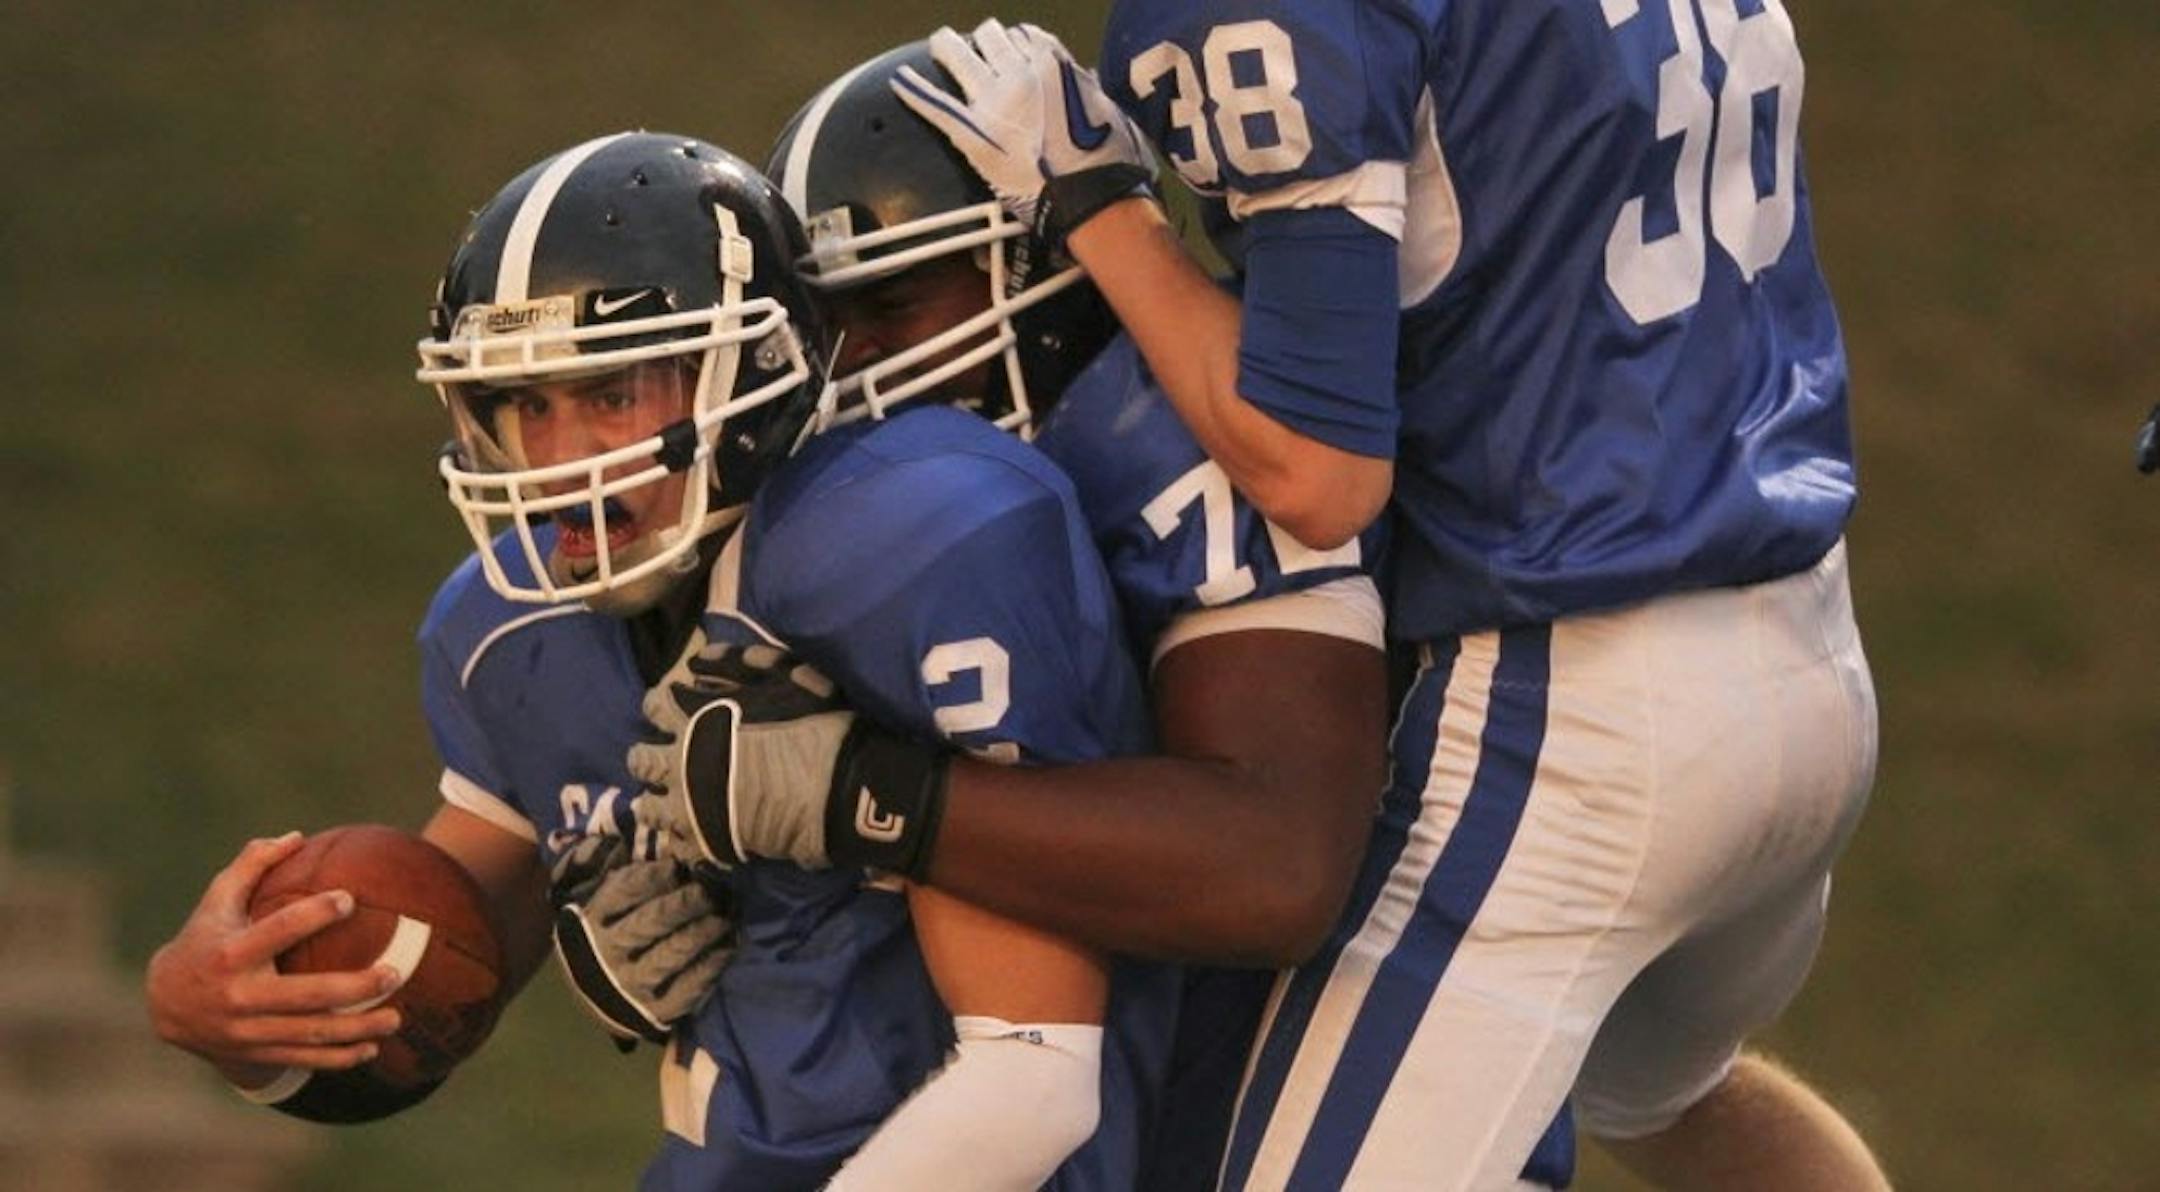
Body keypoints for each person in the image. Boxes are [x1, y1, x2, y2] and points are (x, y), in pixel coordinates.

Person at [713, 12, 1889, 1191]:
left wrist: (1100, 206)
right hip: (1803, 638)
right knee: (1672, 1094)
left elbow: (1316, 473)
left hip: (1578, 701)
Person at [604, 37, 1570, 1190]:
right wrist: (693, 894)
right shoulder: (877, 503)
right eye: (831, 324)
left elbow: (1272, 864)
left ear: (1046, 263)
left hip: (1354, 1069)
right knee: (1676, 1083)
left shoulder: (1173, 440)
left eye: (894, 304)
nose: (853, 370)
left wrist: (863, 796)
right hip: (1138, 1089)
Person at [144, 131, 1182, 1191]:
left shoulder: (909, 543)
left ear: (757, 366)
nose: (559, 459)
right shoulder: (511, 625)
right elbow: (427, 982)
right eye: (525, 405)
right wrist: (225, 1017)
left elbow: (1034, 1081)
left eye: (611, 394)